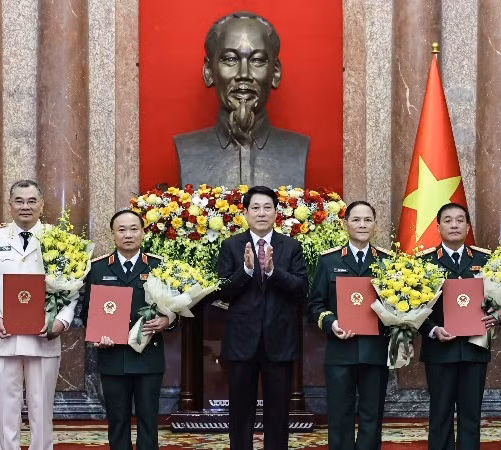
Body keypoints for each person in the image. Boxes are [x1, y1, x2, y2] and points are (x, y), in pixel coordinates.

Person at [0, 179, 74, 450]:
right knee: (6, 410)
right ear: (10, 205)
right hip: (3, 335)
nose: (25, 206)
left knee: (42, 408)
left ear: (42, 205)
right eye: (19, 201)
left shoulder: (59, 239)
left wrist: (62, 320)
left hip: (43, 336)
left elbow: (73, 286)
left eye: (31, 201)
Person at [216, 185, 308, 450]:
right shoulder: (231, 246)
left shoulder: (291, 246)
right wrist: (245, 271)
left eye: (267, 207)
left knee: (278, 413)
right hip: (241, 342)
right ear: (245, 212)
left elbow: (302, 289)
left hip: (279, 341)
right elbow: (222, 291)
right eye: (255, 208)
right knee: (239, 412)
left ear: (276, 213)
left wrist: (272, 272)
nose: (261, 213)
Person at [174, 11, 309, 188]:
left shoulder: (297, 148)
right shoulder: (187, 149)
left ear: (275, 73)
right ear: (209, 71)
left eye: (257, 60)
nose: (243, 74)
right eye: (230, 59)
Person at [79, 209, 176, 450]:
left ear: (143, 233)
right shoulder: (98, 268)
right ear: (112, 235)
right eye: (121, 230)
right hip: (112, 357)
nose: (128, 235)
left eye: (134, 229)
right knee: (118, 421)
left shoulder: (159, 266)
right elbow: (86, 312)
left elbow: (177, 309)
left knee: (148, 422)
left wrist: (167, 321)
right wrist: (97, 334)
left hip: (148, 356)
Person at [417, 202, 501, 450]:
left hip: (474, 348)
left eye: (460, 220)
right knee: (440, 415)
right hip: (440, 350)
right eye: (448, 220)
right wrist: (432, 329)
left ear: (468, 227)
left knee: (471, 416)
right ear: (438, 226)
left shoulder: (486, 261)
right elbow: (411, 310)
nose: (454, 225)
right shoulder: (423, 263)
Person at [307, 201, 392, 450]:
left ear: (375, 225)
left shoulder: (388, 262)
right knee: (340, 415)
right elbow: (315, 304)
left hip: (375, 350)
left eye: (367, 220)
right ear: (346, 224)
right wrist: (331, 323)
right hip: (340, 350)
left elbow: (400, 305)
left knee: (372, 415)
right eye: (356, 220)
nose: (362, 225)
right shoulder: (328, 261)